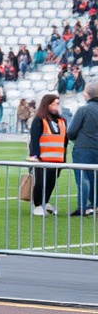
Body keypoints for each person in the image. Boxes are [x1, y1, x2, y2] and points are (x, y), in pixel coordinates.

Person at [27, 94, 66, 216]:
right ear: (46, 104)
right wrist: (35, 156)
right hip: (43, 158)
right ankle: (38, 204)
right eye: (53, 104)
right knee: (41, 182)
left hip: (58, 159)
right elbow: (34, 140)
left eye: (57, 104)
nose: (56, 106)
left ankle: (46, 201)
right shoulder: (39, 120)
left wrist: (64, 158)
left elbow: (65, 140)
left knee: (51, 182)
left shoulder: (61, 121)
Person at [68, 82, 98, 216]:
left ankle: (82, 206)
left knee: (82, 178)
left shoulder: (83, 110)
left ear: (87, 95)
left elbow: (71, 131)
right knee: (94, 177)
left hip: (84, 148)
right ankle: (95, 205)